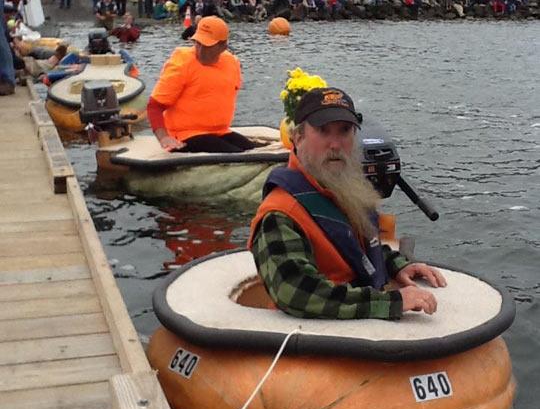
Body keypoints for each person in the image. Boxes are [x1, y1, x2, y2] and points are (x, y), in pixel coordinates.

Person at [248, 87, 446, 320]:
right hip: (317, 338)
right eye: (324, 131)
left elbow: (355, 247)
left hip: (359, 318)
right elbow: (296, 291)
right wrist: (392, 301)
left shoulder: (340, 189)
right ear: (298, 137)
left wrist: (397, 265)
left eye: (344, 131)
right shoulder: (280, 213)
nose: (335, 144)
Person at [147, 16, 255, 153]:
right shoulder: (181, 63)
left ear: (223, 47)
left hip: (219, 132)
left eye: (207, 45)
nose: (201, 50)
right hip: (184, 135)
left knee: (253, 150)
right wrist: (163, 138)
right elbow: (154, 106)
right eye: (198, 43)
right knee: (237, 155)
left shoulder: (232, 63)